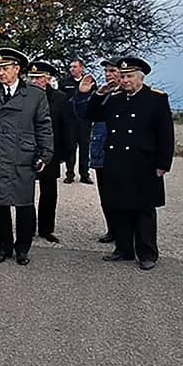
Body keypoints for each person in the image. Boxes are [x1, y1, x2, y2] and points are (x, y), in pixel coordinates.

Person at [78, 56, 174, 270]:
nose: (125, 80)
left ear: (140, 78)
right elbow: (90, 115)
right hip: (117, 160)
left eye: (129, 76)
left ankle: (147, 253)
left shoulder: (155, 99)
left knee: (143, 209)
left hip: (143, 162)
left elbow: (165, 134)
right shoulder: (115, 98)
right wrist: (99, 93)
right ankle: (123, 249)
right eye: (122, 76)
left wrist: (163, 164)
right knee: (118, 205)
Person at [0, 48, 53, 265]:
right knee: (0, 204)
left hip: (22, 156)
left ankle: (23, 248)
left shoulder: (35, 95)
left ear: (17, 69)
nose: (1, 73)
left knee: (24, 204)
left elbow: (44, 126)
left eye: (5, 68)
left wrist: (45, 154)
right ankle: (4, 246)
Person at [74, 57, 121, 244]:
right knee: (107, 195)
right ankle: (113, 229)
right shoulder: (103, 93)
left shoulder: (130, 94)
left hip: (123, 154)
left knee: (124, 196)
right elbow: (84, 114)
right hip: (102, 150)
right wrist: (83, 94)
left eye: (113, 71)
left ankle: (128, 233)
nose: (109, 75)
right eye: (107, 72)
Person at [27, 61, 75, 243]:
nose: (35, 81)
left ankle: (46, 229)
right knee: (26, 192)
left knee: (49, 192)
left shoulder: (59, 98)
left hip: (50, 151)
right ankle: (28, 227)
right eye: (32, 78)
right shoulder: (23, 95)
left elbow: (67, 127)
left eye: (38, 77)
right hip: (27, 150)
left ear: (47, 79)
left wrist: (65, 153)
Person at [60, 58, 94, 184]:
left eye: (75, 67)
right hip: (70, 120)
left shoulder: (90, 81)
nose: (72, 69)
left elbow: (93, 100)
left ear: (82, 68)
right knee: (70, 147)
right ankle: (69, 173)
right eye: (71, 67)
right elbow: (62, 101)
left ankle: (85, 174)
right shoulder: (64, 83)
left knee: (85, 148)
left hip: (84, 120)